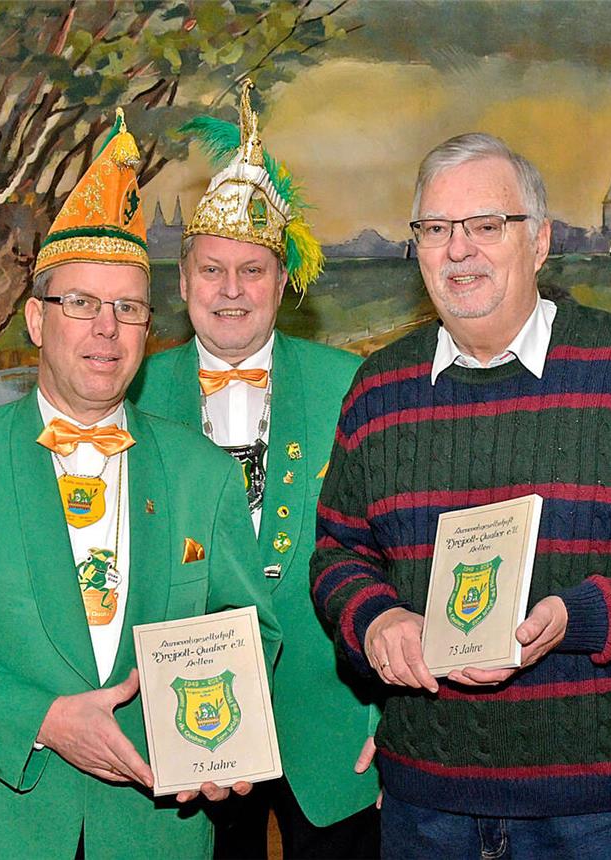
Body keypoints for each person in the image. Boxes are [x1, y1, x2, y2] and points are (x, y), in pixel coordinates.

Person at [308, 132, 611, 859]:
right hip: (425, 802)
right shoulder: (378, 388)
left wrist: (582, 617)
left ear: (541, 241)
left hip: (597, 810)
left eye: (487, 225)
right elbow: (338, 554)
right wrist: (377, 620)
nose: (459, 251)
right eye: (434, 229)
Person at [0, 109, 281, 859]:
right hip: (1, 827)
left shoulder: (204, 474)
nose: (105, 329)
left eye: (126, 309)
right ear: (34, 318)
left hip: (158, 828)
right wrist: (43, 718)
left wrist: (226, 739)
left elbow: (254, 635)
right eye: (81, 304)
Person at [129, 81, 379, 859]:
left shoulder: (352, 386)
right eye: (211, 271)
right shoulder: (128, 397)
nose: (231, 291)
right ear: (181, 282)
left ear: (283, 284)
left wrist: (393, 714)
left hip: (334, 729)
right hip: (182, 737)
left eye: (252, 271)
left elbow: (408, 550)